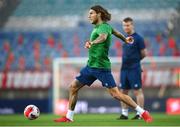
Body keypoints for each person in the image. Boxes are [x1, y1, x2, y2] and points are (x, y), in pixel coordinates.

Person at [54, 5, 152, 123]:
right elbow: (116, 33)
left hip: (101, 68)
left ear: (99, 14)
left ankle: (142, 112)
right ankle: (69, 117)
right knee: (73, 87)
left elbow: (103, 37)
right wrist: (125, 39)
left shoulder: (103, 27)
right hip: (90, 66)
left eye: (91, 13)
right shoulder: (103, 27)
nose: (89, 16)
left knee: (116, 94)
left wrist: (92, 42)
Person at [117, 17, 147, 120]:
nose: (126, 27)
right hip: (124, 68)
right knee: (123, 91)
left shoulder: (138, 38)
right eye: (124, 25)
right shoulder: (124, 38)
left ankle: (140, 114)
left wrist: (136, 63)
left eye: (128, 25)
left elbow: (144, 53)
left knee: (137, 90)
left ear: (132, 25)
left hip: (134, 68)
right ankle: (124, 114)